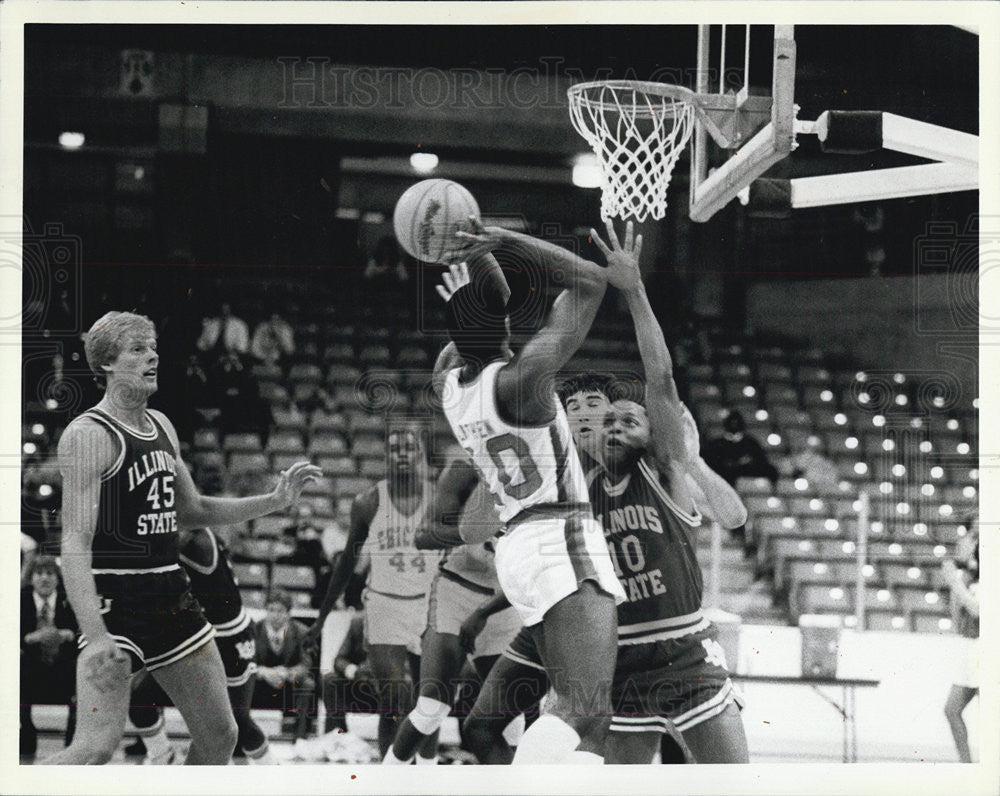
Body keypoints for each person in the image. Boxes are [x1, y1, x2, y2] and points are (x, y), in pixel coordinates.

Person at [462, 221, 750, 765]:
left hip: (684, 650)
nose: (614, 425)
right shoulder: (572, 491)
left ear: (652, 432)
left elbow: (659, 378)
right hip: (618, 658)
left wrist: (634, 289)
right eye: (603, 419)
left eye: (627, 418)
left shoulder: (664, 470)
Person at [45, 310, 321, 765]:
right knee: (95, 746)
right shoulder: (88, 435)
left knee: (221, 735)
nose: (152, 355)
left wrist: (274, 500)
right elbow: (74, 541)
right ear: (107, 364)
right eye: (138, 348)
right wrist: (94, 633)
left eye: (153, 346)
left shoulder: (162, 427)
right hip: (115, 598)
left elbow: (194, 511)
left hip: (171, 594)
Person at [431, 219, 635, 765]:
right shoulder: (523, 379)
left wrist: (480, 263)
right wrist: (499, 239)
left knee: (586, 716)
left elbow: (473, 323)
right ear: (502, 317)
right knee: (582, 708)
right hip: (559, 536)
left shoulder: (450, 385)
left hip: (520, 548)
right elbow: (592, 281)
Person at [307, 424, 440, 757]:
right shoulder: (367, 502)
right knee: (394, 699)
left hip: (428, 607)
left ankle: (427, 774)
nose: (402, 454)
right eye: (394, 448)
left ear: (420, 453)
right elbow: (345, 566)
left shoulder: (439, 497)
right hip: (384, 606)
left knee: (430, 701)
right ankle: (390, 777)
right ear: (386, 457)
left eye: (409, 447)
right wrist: (322, 618)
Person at [383, 458, 523, 765]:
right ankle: (386, 778)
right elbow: (423, 536)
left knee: (511, 718)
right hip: (456, 590)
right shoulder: (466, 469)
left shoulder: (547, 476)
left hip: (504, 599)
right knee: (432, 707)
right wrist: (474, 529)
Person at [128, 526, 275, 764]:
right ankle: (161, 756)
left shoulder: (198, 541)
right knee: (139, 698)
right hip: (192, 633)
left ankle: (273, 774)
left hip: (230, 636)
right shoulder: (175, 538)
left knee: (238, 722)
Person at [20, 555, 78, 759]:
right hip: (31, 667)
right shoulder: (20, 599)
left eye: (50, 574)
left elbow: (80, 632)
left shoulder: (68, 599)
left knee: (80, 668)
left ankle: (74, 745)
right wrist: (30, 638)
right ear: (31, 578)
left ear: (57, 578)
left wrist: (66, 634)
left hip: (63, 667)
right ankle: (25, 734)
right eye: (39, 573)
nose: (44, 579)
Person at [252, 590, 317, 753]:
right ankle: (244, 737)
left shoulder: (302, 632)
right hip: (260, 685)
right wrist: (263, 672)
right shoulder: (253, 630)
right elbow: (246, 663)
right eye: (271, 610)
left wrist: (286, 673)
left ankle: (300, 739)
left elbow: (306, 665)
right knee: (240, 681)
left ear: (288, 613)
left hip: (288, 686)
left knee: (308, 683)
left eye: (280, 611)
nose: (274, 615)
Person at [942, 522, 979, 763]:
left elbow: (978, 611)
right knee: (952, 709)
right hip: (971, 647)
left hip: (987, 649)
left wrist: (954, 582)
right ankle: (966, 765)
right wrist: (958, 582)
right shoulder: (971, 580)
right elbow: (959, 618)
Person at [701, 410, 779, 489]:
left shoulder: (751, 443)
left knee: (771, 471)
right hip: (725, 475)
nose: (734, 425)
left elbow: (761, 460)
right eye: (731, 423)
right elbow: (711, 463)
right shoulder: (717, 444)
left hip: (746, 473)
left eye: (737, 423)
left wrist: (745, 462)